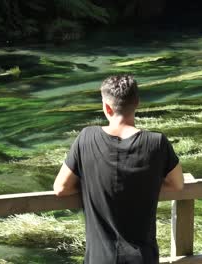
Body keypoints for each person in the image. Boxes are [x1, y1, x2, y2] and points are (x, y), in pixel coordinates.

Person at [53, 75, 184, 264]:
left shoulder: (86, 137)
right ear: (137, 103)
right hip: (143, 258)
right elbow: (177, 184)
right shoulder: (157, 143)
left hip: (100, 258)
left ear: (107, 107)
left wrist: (92, 184)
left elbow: (60, 188)